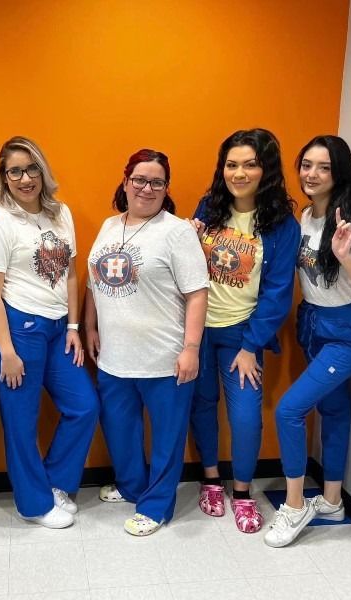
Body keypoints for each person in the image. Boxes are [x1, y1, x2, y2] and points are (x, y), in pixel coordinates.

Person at [264, 135, 351, 548]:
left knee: (289, 410)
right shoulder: (304, 217)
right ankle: (331, 500)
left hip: (349, 333)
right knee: (333, 411)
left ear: (340, 173)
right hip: (315, 324)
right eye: (307, 165)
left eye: (323, 167)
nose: (311, 175)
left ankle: (296, 506)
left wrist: (345, 254)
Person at [84, 149, 208, 536]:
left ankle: (156, 507)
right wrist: (90, 325)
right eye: (139, 179)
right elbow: (93, 282)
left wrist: (191, 349)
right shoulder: (108, 226)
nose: (147, 188)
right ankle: (133, 487)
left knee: (167, 438)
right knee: (120, 432)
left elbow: (197, 293)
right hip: (113, 357)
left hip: (164, 358)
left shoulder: (177, 232)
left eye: (156, 182)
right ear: (125, 182)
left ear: (166, 189)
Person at [0, 136, 99, 529]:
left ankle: (55, 484)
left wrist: (74, 326)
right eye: (15, 171)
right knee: (21, 422)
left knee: (84, 406)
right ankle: (33, 504)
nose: (25, 178)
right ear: (4, 176)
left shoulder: (60, 213)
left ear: (42, 171)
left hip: (57, 328)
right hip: (17, 330)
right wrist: (6, 352)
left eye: (31, 169)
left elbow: (71, 273)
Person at [188, 129, 300, 533]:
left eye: (249, 164)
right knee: (201, 406)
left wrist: (252, 344)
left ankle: (241, 492)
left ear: (265, 169)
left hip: (241, 337)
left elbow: (278, 291)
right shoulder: (208, 207)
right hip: (199, 332)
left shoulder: (282, 224)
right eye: (232, 164)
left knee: (246, 418)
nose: (239, 173)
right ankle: (211, 480)